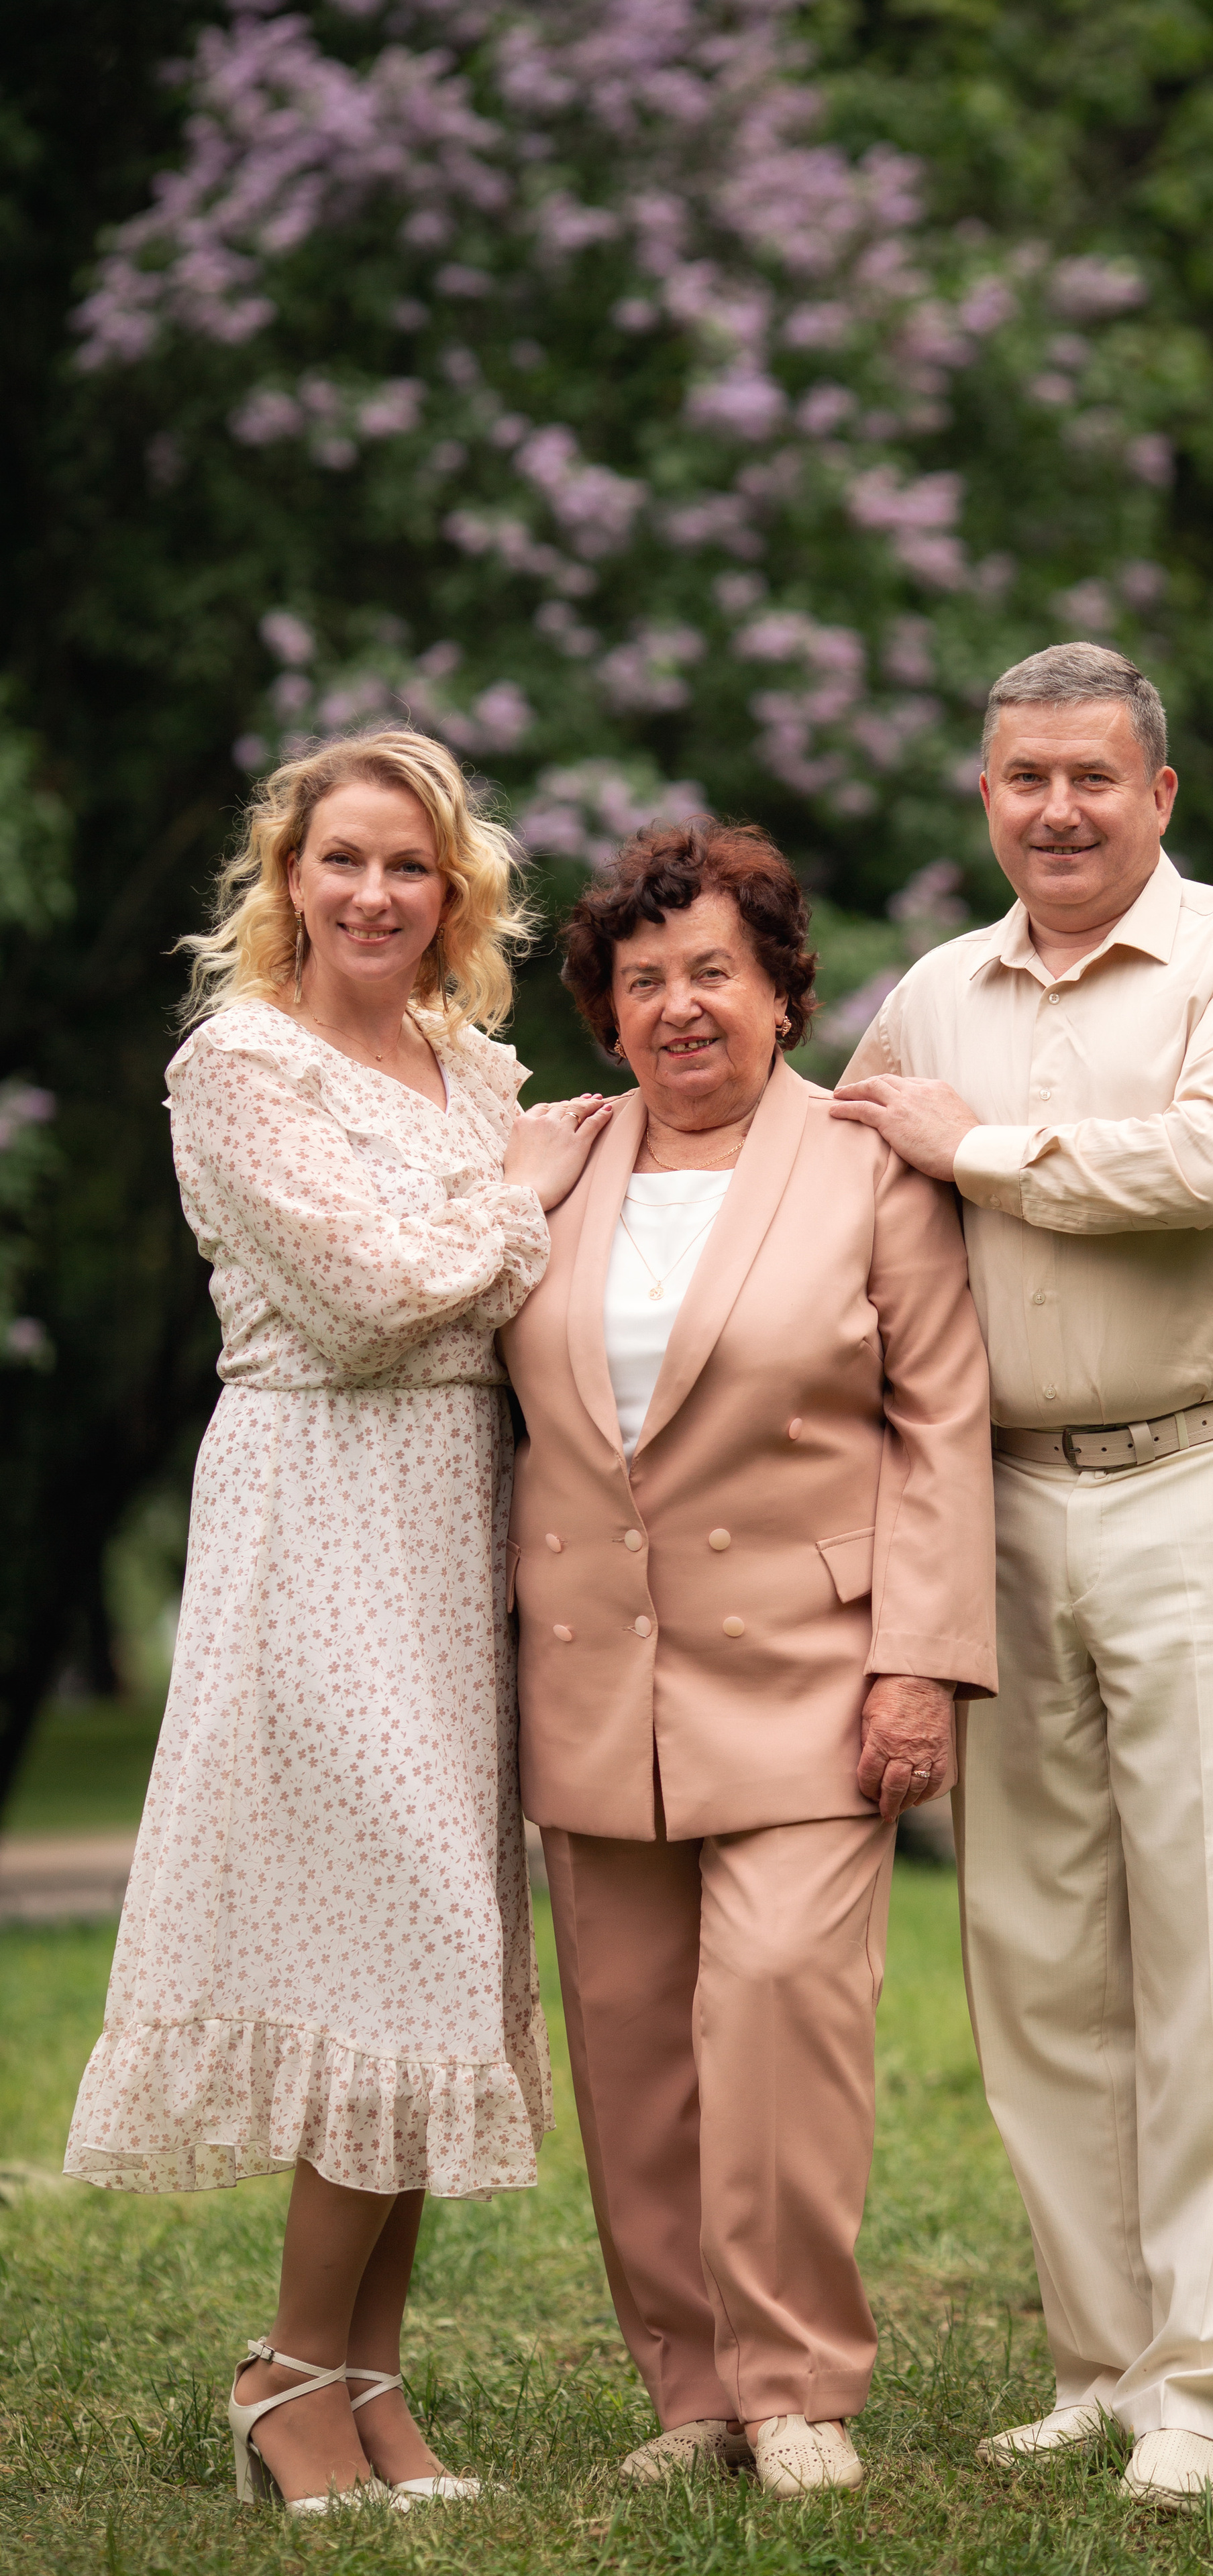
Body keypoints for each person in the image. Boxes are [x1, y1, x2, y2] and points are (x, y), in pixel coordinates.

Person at [64, 727, 606, 2516]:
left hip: (458, 1519)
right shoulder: (243, 1065)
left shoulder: (473, 1065)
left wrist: (504, 1199)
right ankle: (288, 2378)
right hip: (318, 1503)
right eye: (342, 860)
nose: (375, 893)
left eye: (408, 865)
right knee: (395, 1933)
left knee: (437, 1953)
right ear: (288, 878)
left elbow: (490, 1288)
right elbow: (372, 1299)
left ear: (455, 890)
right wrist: (519, 1197)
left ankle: (367, 2380)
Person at [831, 642, 1213, 2508]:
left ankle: (1206, 2392)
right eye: (1024, 779)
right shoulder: (932, 995)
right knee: (1037, 1957)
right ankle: (1101, 2365)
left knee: (1209, 1948)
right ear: (986, 798)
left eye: (1092, 778)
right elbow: (828, 1189)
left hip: (1202, 1477)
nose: (1058, 810)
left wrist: (981, 1148)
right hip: (995, 1508)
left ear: (1158, 795)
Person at [499, 819, 996, 2498]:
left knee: (782, 2006)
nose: (679, 1006)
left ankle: (795, 2390)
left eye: (712, 969)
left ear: (782, 989)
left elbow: (938, 1428)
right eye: (641, 981)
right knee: (632, 2045)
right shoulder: (552, 1163)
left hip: (810, 1672)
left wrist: (917, 1666)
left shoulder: (867, 1167)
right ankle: (693, 2394)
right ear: (606, 1015)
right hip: (595, 1678)